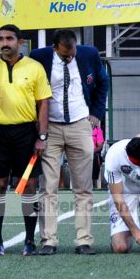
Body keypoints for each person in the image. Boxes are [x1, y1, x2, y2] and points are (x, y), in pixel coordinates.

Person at [31, 29, 109, 255]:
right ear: (54, 48)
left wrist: (95, 114)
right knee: (49, 187)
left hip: (80, 124)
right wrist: (39, 127)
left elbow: (103, 83)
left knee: (84, 187)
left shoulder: (89, 54)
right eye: (65, 55)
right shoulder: (39, 57)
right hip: (51, 128)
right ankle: (48, 241)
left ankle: (84, 240)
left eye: (72, 52)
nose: (70, 57)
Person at [0, 25, 51, 256]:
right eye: (1, 39)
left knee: (29, 186)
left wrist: (42, 136)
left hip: (26, 133)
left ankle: (29, 241)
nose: (5, 43)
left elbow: (43, 103)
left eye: (9, 38)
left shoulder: (35, 68)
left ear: (20, 42)